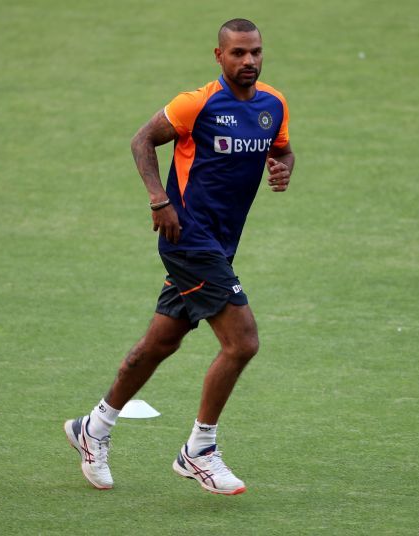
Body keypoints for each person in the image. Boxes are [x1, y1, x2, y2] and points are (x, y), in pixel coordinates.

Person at [64, 18, 294, 496]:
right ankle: (199, 451)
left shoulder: (273, 105)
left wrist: (282, 168)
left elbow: (284, 150)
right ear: (219, 56)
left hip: (221, 246)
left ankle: (95, 427)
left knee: (159, 343)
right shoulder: (198, 103)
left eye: (255, 52)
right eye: (238, 53)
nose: (248, 61)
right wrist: (158, 199)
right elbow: (141, 140)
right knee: (243, 342)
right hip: (187, 239)